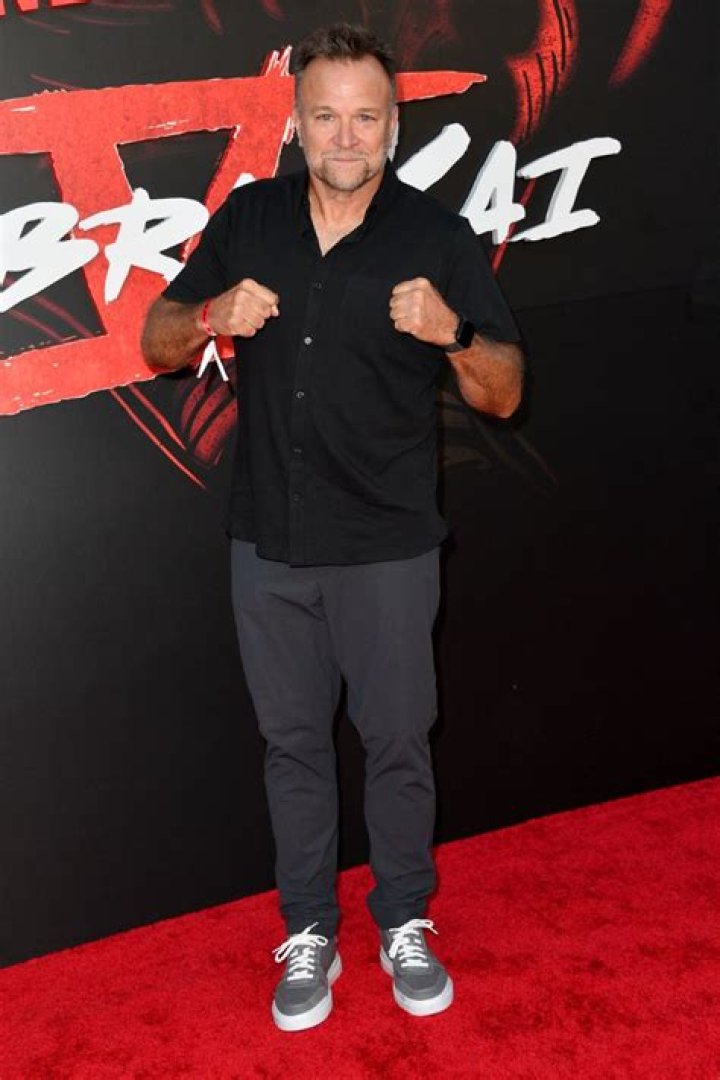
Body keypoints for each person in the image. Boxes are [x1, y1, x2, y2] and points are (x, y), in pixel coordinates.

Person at [141, 22, 523, 1032]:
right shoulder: (249, 218)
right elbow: (156, 340)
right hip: (269, 541)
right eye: (325, 116)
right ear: (298, 122)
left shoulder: (435, 236)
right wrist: (211, 313)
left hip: (389, 546)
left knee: (397, 744)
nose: (344, 136)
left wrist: (454, 332)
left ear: (392, 126)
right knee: (293, 746)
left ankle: (403, 919)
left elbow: (504, 394)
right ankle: (309, 927)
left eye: (364, 117)